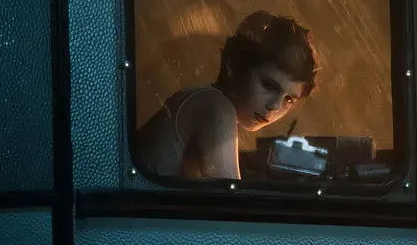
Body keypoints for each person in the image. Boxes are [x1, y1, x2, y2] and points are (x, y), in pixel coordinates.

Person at [132, 10, 318, 182]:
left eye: (289, 99)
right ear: (234, 64)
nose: (275, 106)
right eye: (269, 85)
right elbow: (232, 201)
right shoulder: (216, 106)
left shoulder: (203, 101)